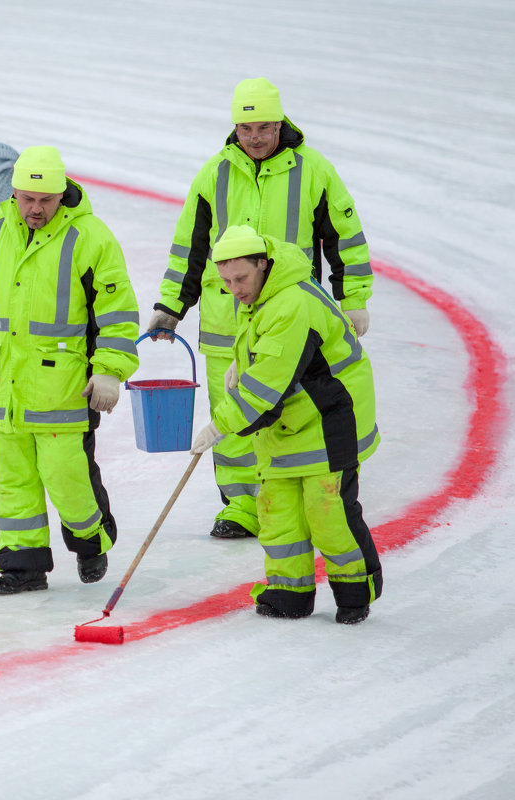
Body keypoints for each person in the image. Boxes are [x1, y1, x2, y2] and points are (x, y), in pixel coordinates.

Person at [147, 77, 375, 540]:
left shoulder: (313, 169)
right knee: (231, 412)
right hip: (223, 322)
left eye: (265, 127)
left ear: (280, 122)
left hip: (291, 321)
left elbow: (343, 238)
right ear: (235, 126)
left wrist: (352, 300)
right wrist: (171, 305)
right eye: (246, 127)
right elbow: (189, 248)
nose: (255, 137)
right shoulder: (214, 173)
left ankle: (292, 498)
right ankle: (241, 507)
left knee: (291, 410)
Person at [0, 146, 141, 595]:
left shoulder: (90, 238)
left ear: (62, 195)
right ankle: (22, 566)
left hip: (64, 390)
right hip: (2, 387)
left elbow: (116, 312)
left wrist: (109, 370)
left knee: (67, 477)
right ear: (14, 193)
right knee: (13, 481)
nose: (36, 209)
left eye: (46, 200)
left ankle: (90, 543)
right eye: (27, 199)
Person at [190, 225, 382, 624]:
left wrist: (218, 427)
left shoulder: (290, 301)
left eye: (240, 278)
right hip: (290, 420)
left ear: (263, 264)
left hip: (330, 419)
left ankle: (354, 592)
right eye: (225, 281)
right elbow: (268, 351)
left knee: (327, 511)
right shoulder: (265, 290)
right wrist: (241, 361)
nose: (235, 289)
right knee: (278, 510)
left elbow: (265, 389)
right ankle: (287, 593)